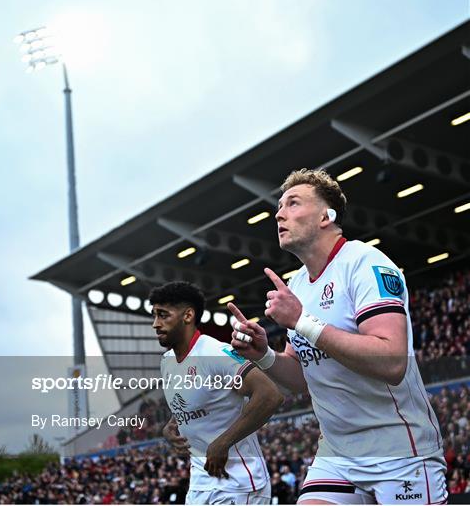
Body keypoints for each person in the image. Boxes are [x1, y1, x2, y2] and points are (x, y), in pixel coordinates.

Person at [228, 169, 448, 505]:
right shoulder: (297, 284)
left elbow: (391, 361)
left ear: (325, 217)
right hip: (338, 452)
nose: (279, 213)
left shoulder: (365, 263)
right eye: (279, 206)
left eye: (293, 203)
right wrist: (263, 354)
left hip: (399, 449)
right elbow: (303, 377)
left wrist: (302, 320)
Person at [149, 281, 283, 505]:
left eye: (163, 315)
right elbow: (196, 401)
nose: (156, 324)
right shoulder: (167, 361)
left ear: (188, 315)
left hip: (240, 484)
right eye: (154, 315)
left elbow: (269, 395)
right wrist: (170, 427)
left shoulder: (214, 352)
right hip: (201, 483)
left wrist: (223, 442)